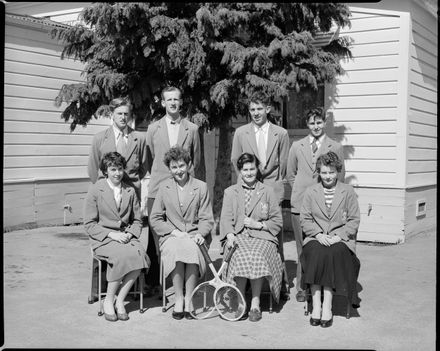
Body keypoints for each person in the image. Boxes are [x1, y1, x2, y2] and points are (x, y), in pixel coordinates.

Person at [230, 91, 290, 299]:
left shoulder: (280, 133)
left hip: (271, 188)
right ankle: (244, 281)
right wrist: (247, 183)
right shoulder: (241, 133)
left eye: (260, 109)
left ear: (268, 109)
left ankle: (279, 283)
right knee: (246, 233)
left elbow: (284, 165)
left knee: (275, 237)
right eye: (252, 109)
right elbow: (236, 162)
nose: (256, 113)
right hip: (248, 187)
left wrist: (276, 188)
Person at [145, 86, 202, 297]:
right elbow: (150, 159)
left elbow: (195, 160)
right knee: (159, 238)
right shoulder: (152, 129)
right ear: (162, 103)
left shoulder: (192, 129)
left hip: (184, 189)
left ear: (181, 102)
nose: (173, 103)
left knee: (185, 235)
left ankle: (187, 282)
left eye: (176, 99)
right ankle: (160, 283)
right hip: (159, 189)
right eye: (168, 100)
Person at [286, 107, 345, 303]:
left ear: (324, 123)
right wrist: (303, 192)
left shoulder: (335, 146)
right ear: (307, 125)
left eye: (319, 122)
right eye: (312, 123)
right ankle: (303, 287)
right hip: (300, 203)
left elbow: (340, 175)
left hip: (324, 206)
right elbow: (291, 174)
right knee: (302, 248)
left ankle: (322, 286)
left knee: (320, 247)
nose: (316, 126)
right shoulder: (297, 146)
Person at [84, 152, 150, 322]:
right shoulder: (95, 190)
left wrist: (129, 233)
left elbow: (137, 220)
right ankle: (108, 300)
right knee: (120, 256)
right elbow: (89, 224)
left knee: (140, 256)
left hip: (126, 236)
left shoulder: (129, 190)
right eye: (113, 169)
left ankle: (119, 300)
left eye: (120, 169)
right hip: (104, 238)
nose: (117, 173)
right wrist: (112, 234)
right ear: (105, 171)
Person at [149, 146, 213, 320]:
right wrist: (173, 232)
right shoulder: (164, 188)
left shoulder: (201, 187)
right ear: (169, 169)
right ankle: (178, 299)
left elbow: (207, 217)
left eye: (182, 166)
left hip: (195, 235)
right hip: (172, 236)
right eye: (174, 167)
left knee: (192, 248)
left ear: (189, 165)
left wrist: (201, 233)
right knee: (177, 250)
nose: (179, 171)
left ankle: (190, 299)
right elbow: (155, 218)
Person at [220, 153, 283, 322]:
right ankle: (240, 300)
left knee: (257, 254)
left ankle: (255, 303)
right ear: (240, 171)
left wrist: (259, 225)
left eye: (252, 169)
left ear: (257, 169)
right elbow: (225, 218)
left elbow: (277, 221)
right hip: (237, 236)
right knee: (239, 254)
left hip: (262, 236)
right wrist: (229, 234)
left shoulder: (267, 191)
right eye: (245, 169)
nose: (249, 173)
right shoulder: (230, 192)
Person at [300, 151, 360, 328]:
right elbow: (305, 218)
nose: (328, 176)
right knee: (317, 252)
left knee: (332, 253)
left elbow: (354, 220)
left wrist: (338, 237)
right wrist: (318, 234)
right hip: (315, 237)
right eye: (324, 172)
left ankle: (327, 305)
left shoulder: (347, 191)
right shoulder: (311, 192)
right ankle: (316, 304)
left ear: (338, 172)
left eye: (331, 172)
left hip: (339, 240)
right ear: (319, 172)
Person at [87, 97, 148, 200]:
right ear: (112, 115)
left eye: (126, 114)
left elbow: (144, 167)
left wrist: (131, 181)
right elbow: (92, 169)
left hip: (132, 192)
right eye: (119, 114)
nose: (123, 117)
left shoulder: (139, 139)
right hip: (106, 195)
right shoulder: (99, 138)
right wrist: (102, 188)